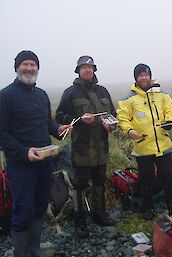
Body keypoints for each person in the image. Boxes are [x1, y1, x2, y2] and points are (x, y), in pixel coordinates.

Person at [0, 50, 71, 257]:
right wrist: (24, 152)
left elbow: (47, 124)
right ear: (17, 68)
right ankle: (21, 253)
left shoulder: (41, 95)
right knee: (23, 208)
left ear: (38, 69)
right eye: (25, 65)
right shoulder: (5, 96)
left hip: (45, 160)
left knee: (40, 205)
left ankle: (34, 249)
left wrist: (58, 130)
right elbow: (1, 132)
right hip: (21, 164)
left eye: (33, 65)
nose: (29, 68)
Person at [56, 56, 116, 238]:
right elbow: (59, 115)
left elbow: (112, 114)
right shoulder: (71, 92)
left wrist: (111, 124)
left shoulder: (103, 91)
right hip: (82, 149)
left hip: (101, 148)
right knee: (80, 185)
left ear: (94, 70)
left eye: (90, 67)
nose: (87, 70)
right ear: (78, 71)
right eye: (84, 68)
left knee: (99, 181)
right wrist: (77, 119)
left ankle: (99, 215)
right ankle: (80, 222)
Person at [117, 63, 172, 220]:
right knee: (145, 179)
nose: (144, 77)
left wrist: (171, 121)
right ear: (136, 78)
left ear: (150, 76)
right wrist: (129, 131)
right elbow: (122, 118)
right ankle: (148, 208)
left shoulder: (162, 94)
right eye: (140, 75)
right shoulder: (128, 99)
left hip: (163, 144)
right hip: (143, 146)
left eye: (146, 74)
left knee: (167, 176)